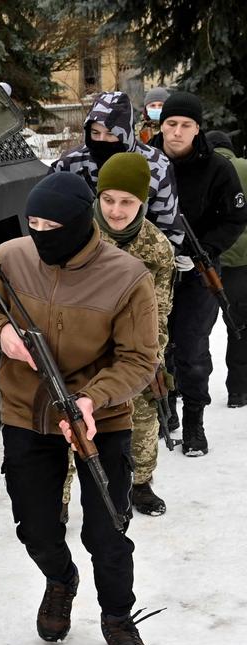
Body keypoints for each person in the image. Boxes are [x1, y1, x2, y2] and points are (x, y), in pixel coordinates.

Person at [0, 172, 160, 645]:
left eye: (52, 224)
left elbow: (141, 360)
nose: (41, 233)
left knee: (107, 530)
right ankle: (60, 579)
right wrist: (3, 332)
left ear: (80, 222)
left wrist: (92, 400)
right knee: (34, 525)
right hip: (26, 412)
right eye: (33, 223)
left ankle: (119, 618)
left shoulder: (127, 276)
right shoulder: (11, 256)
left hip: (101, 418)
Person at [152, 92, 247, 455]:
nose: (177, 132)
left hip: (199, 271)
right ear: (161, 126)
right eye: (171, 124)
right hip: (151, 271)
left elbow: (235, 218)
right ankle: (167, 412)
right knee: (156, 348)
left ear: (197, 128)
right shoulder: (144, 160)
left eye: (185, 125)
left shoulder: (218, 168)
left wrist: (204, 250)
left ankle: (194, 421)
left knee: (191, 348)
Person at [92, 153, 175, 515]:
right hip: (82, 346)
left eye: (127, 201)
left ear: (142, 201)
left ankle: (140, 484)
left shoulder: (157, 249)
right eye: (108, 200)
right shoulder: (79, 235)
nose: (116, 210)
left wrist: (148, 360)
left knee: (143, 415)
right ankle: (60, 500)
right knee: (69, 423)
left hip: (133, 349)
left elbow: (158, 315)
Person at [49, 91, 186, 253]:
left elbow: (168, 228)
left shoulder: (156, 164)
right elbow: (49, 216)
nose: (101, 140)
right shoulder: (70, 163)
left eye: (110, 134)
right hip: (79, 257)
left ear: (125, 133)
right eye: (95, 133)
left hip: (137, 260)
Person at [204, 130, 247, 409]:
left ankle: (187, 389)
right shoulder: (244, 166)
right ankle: (238, 391)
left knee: (195, 331)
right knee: (239, 327)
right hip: (241, 261)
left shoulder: (201, 168)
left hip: (203, 259)